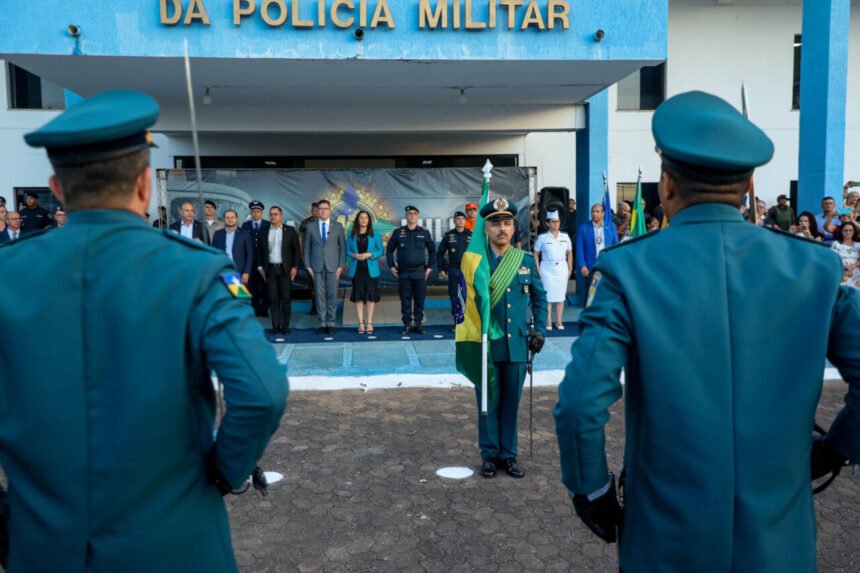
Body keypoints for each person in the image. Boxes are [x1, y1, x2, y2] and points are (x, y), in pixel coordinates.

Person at [554, 91, 860, 572]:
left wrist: (592, 492)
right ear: (748, 184)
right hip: (779, 547)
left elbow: (579, 403)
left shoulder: (627, 269)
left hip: (665, 543)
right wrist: (834, 450)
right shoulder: (815, 268)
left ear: (667, 183)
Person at [0, 89, 288, 572]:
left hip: (43, 549)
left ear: (58, 187)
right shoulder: (199, 271)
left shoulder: (8, 273)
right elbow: (262, 392)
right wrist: (223, 472)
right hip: (178, 545)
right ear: (143, 185)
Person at [475, 198, 547, 479]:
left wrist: (539, 329)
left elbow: (540, 298)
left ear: (514, 228)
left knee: (510, 403)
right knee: (487, 404)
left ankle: (509, 454)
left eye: (506, 223)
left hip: (517, 344)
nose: (501, 229)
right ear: (487, 229)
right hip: (486, 344)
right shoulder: (477, 264)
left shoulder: (525, 261)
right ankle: (489, 455)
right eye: (495, 224)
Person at [386, 205, 436, 335]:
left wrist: (430, 267)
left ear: (418, 216)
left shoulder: (424, 232)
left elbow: (432, 250)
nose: (412, 215)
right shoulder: (398, 232)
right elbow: (390, 250)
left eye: (414, 213)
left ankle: (418, 324)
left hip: (420, 272)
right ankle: (407, 324)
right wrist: (391, 265)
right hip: (403, 272)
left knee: (419, 299)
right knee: (405, 300)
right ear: (406, 216)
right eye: (409, 213)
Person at [304, 199, 345, 335]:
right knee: (319, 295)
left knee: (332, 295)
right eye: (320, 208)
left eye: (325, 208)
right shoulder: (310, 227)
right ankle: (322, 323)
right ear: (317, 211)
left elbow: (343, 248)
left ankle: (331, 322)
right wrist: (308, 266)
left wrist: (340, 266)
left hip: (333, 266)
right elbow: (307, 248)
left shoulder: (338, 226)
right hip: (316, 267)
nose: (323, 211)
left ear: (330, 210)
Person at [258, 206, 301, 336]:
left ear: (281, 216)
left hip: (285, 270)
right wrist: (260, 267)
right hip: (270, 269)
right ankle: (275, 327)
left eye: (276, 214)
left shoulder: (290, 231)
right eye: (271, 214)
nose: (273, 216)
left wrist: (295, 267)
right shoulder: (264, 231)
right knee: (273, 299)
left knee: (286, 299)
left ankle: (285, 326)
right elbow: (259, 251)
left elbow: (296, 251)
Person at [534, 210, 573, 330]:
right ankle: (549, 321)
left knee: (560, 297)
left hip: (561, 267)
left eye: (557, 221)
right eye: (553, 222)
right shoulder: (542, 237)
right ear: (548, 223)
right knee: (548, 297)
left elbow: (570, 253)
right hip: (547, 268)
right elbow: (536, 253)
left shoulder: (565, 237)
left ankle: (559, 321)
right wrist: (538, 269)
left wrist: (570, 268)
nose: (555, 224)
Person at [346, 210, 384, 334]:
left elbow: (381, 251)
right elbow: (346, 251)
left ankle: (369, 323)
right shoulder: (351, 234)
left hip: (370, 269)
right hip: (357, 269)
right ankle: (360, 323)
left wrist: (370, 254)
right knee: (358, 296)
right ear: (357, 219)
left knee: (370, 296)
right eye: (361, 217)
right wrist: (354, 255)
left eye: (366, 218)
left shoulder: (374, 234)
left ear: (369, 220)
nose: (363, 220)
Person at [437, 211, 472, 331]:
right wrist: (442, 268)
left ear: (465, 221)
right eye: (458, 219)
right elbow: (440, 253)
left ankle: (469, 322)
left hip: (469, 271)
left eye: (462, 219)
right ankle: (457, 322)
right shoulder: (448, 236)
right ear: (454, 221)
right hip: (454, 270)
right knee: (454, 296)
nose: (460, 221)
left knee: (468, 296)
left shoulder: (471, 235)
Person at [575, 203, 618, 294]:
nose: (594, 214)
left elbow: (615, 246)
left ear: (603, 213)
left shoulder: (611, 226)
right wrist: (582, 265)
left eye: (597, 212)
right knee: (590, 294)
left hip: (607, 266)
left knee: (606, 293)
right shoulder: (583, 228)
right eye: (593, 212)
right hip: (590, 266)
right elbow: (579, 249)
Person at [241, 200, 272, 317]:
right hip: (251, 261)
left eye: (258, 211)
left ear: (262, 212)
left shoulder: (267, 224)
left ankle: (264, 309)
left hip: (264, 260)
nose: (255, 213)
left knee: (266, 286)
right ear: (251, 212)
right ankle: (254, 308)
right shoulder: (246, 225)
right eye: (253, 211)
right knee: (252, 286)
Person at [211, 210, 254, 285]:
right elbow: (214, 254)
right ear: (224, 219)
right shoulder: (217, 234)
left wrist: (247, 272)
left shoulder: (244, 234)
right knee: (225, 295)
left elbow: (250, 254)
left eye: (232, 217)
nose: (230, 219)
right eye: (227, 217)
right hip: (223, 271)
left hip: (239, 272)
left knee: (238, 295)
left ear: (236, 219)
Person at [299, 201, 320, 316]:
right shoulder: (305, 223)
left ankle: (323, 307)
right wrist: (302, 254)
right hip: (310, 257)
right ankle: (314, 306)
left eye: (318, 209)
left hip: (324, 258)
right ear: (311, 211)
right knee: (312, 283)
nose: (316, 212)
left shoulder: (327, 223)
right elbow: (300, 238)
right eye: (314, 210)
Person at [831, 222, 860, 289]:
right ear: (841, 231)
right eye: (845, 230)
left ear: (854, 231)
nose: (848, 232)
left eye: (850, 230)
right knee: (843, 282)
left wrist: (853, 266)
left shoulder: (858, 245)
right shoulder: (836, 244)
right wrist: (845, 270)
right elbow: (833, 260)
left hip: (856, 271)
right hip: (841, 271)